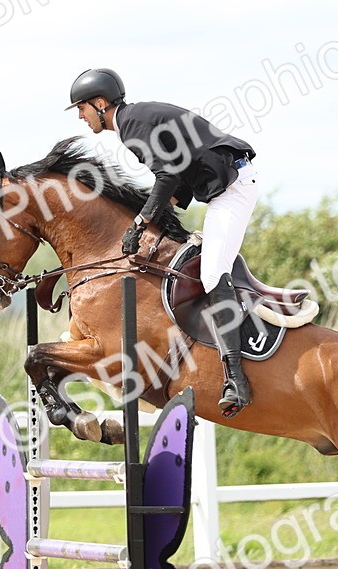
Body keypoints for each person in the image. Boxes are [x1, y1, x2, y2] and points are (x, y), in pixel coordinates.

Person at [66, 67, 258, 418]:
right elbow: (178, 176)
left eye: (81, 108)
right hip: (224, 188)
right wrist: (151, 223)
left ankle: (236, 379)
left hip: (233, 189)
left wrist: (141, 222)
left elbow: (167, 175)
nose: (80, 116)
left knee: (213, 274)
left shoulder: (133, 125)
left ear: (100, 103)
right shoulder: (135, 119)